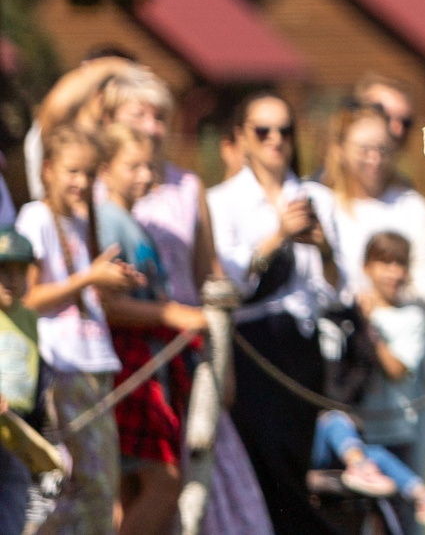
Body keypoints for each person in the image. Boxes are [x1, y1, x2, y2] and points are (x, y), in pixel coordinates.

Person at [112, 68, 271, 535]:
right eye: (140, 113)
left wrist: (225, 364)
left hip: (189, 347)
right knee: (141, 485)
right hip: (133, 353)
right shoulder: (106, 189)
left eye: (161, 116)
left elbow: (210, 276)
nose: (153, 125)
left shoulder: (186, 186)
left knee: (202, 470)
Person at [208, 93, 340, 535]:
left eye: (284, 130)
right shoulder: (221, 202)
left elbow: (338, 288)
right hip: (251, 344)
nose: (275, 141)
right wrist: (277, 236)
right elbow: (224, 280)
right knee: (261, 462)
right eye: (263, 131)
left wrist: (322, 248)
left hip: (301, 344)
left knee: (294, 461)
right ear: (241, 139)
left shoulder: (316, 196)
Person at [18, 127, 138, 535]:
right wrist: (88, 277)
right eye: (72, 172)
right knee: (84, 485)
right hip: (62, 367)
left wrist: (110, 281)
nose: (81, 183)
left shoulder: (80, 223)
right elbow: (27, 298)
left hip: (93, 362)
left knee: (100, 488)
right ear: (47, 170)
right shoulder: (37, 216)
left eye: (89, 174)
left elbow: (79, 290)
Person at [93, 122, 207, 535]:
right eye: (133, 166)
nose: (145, 176)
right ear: (104, 169)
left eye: (149, 166)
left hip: (143, 364)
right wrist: (173, 314)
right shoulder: (107, 219)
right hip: (128, 365)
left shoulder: (129, 219)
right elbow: (105, 303)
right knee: (164, 482)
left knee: (130, 490)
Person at [312, 234, 425, 527]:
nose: (394, 272)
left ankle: (416, 496)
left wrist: (369, 328)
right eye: (385, 263)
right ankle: (418, 493)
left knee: (396, 521)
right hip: (359, 428)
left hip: (394, 428)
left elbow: (396, 368)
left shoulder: (410, 317)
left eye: (400, 264)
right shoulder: (350, 311)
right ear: (367, 267)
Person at [323, 103, 425, 326]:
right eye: (364, 149)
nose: (374, 159)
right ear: (340, 149)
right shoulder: (326, 205)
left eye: (383, 149)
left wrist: (384, 305)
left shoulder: (411, 206)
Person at [0, 231, 50, 535]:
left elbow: (35, 370)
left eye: (20, 270)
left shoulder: (30, 318)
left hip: (18, 431)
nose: (12, 279)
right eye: (3, 269)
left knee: (14, 497)